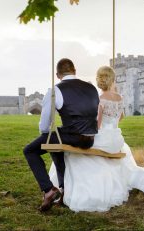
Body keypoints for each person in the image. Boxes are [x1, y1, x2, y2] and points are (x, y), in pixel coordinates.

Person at [49, 66, 144, 212]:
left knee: (73, 152)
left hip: (104, 138)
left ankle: (69, 187)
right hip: (116, 139)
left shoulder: (100, 99)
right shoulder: (120, 98)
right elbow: (121, 117)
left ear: (100, 81)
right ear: (112, 79)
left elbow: (97, 125)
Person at [23, 58, 99, 212]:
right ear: (75, 71)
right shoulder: (91, 88)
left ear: (58, 75)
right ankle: (64, 189)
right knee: (55, 144)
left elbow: (45, 125)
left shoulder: (55, 90)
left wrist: (46, 134)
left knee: (30, 150)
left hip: (72, 135)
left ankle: (48, 190)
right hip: (90, 138)